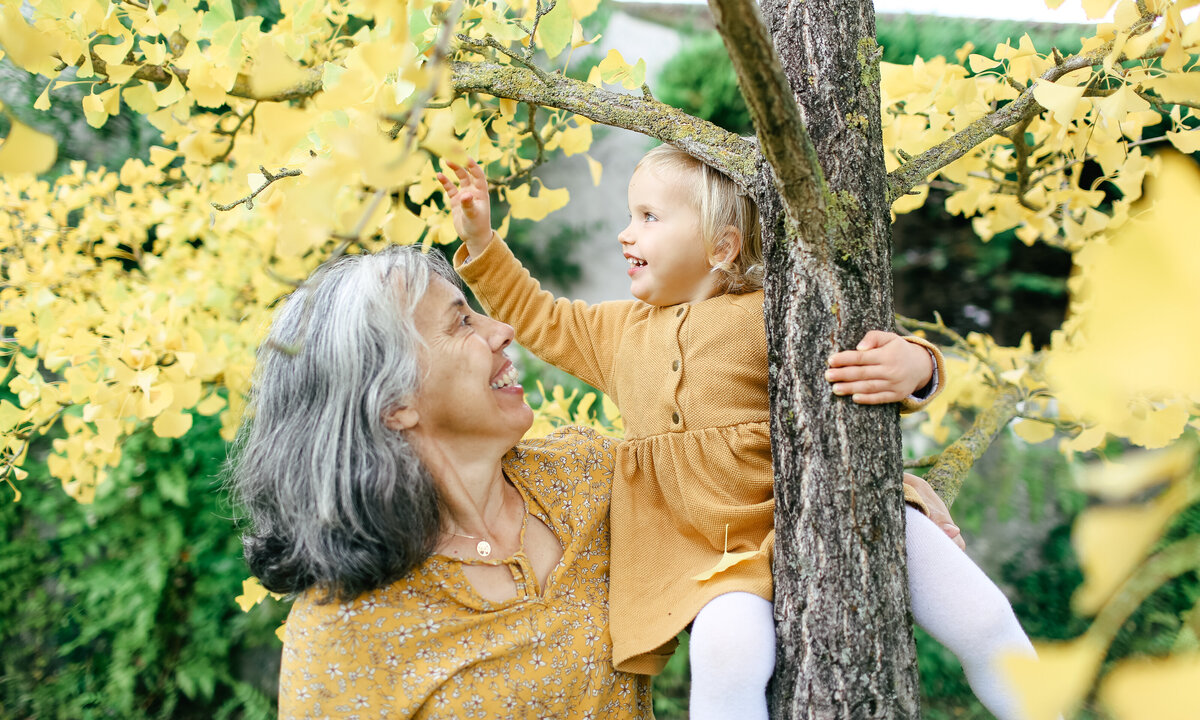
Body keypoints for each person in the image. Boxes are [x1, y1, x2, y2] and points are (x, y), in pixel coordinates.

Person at [441, 146, 1039, 720]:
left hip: (825, 505)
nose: (626, 233)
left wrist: (917, 366)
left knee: (979, 615)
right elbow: (539, 315)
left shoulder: (775, 310)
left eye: (649, 217)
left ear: (722, 246)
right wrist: (480, 241)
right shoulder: (619, 334)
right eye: (631, 216)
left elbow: (867, 356)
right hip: (713, 558)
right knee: (726, 656)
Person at [228, 247, 654, 718]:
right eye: (461, 323)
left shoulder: (587, 476)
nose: (502, 330)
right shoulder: (344, 630)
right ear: (393, 403)